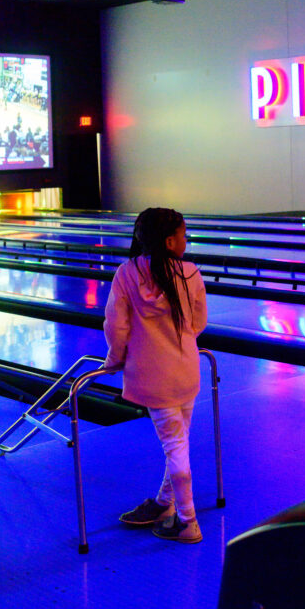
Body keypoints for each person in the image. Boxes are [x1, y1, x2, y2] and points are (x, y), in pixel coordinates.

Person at [103, 207, 208, 543]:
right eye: (183, 234)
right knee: (178, 444)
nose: (186, 240)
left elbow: (116, 326)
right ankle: (166, 503)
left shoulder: (126, 273)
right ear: (169, 240)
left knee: (175, 445)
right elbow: (198, 323)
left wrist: (115, 359)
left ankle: (187, 521)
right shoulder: (190, 273)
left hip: (151, 374)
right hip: (185, 370)